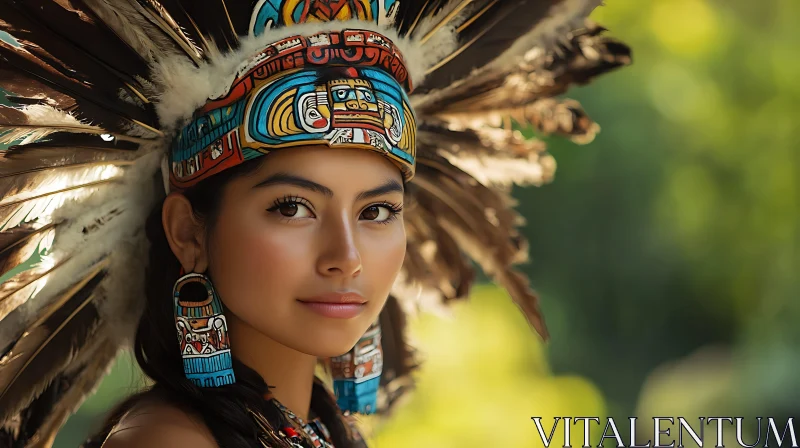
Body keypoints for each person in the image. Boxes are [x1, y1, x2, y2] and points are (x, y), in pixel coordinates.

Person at [0, 1, 631, 447]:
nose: (346, 256)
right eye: (292, 208)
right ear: (188, 232)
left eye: (377, 211)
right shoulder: (168, 440)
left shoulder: (318, 430)